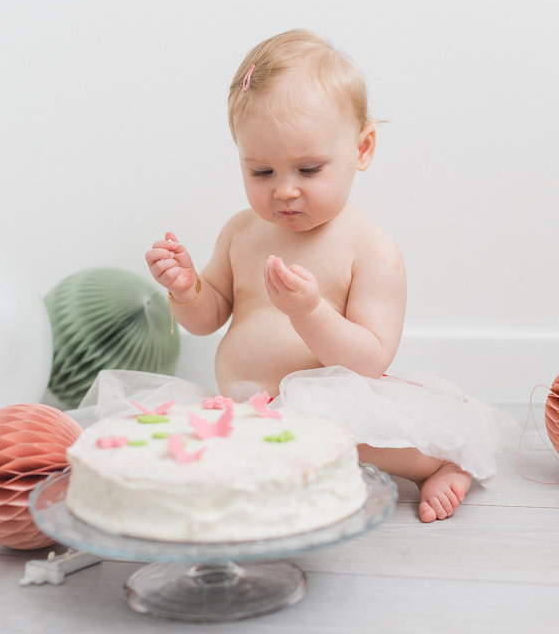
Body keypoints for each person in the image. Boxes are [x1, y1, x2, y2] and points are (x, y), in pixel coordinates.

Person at [145, 29, 508, 523]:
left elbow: (370, 360)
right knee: (187, 457)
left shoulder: (371, 250)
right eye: (262, 172)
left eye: (309, 169)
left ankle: (440, 461)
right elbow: (208, 318)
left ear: (362, 148)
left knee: (362, 443)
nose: (285, 191)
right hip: (246, 407)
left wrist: (309, 312)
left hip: (329, 409)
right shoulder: (241, 231)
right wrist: (187, 290)